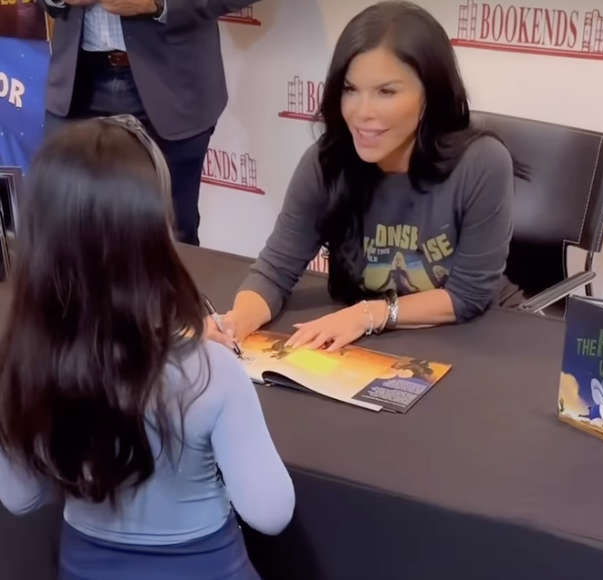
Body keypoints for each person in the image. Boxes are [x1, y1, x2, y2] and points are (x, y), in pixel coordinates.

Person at [0, 117, 295, 580]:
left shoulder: (27, 365)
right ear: (157, 233)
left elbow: (19, 496)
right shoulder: (211, 372)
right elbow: (271, 511)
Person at [208, 0, 527, 353]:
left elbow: (468, 295)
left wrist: (367, 315)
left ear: (429, 96)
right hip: (375, 346)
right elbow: (274, 272)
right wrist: (236, 322)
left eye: (386, 92)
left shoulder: (481, 162)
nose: (362, 113)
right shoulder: (325, 163)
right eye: (350, 89)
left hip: (475, 338)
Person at [37, 0, 261, 246]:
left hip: (172, 89)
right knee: (63, 237)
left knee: (171, 240)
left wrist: (158, 4)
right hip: (74, 88)